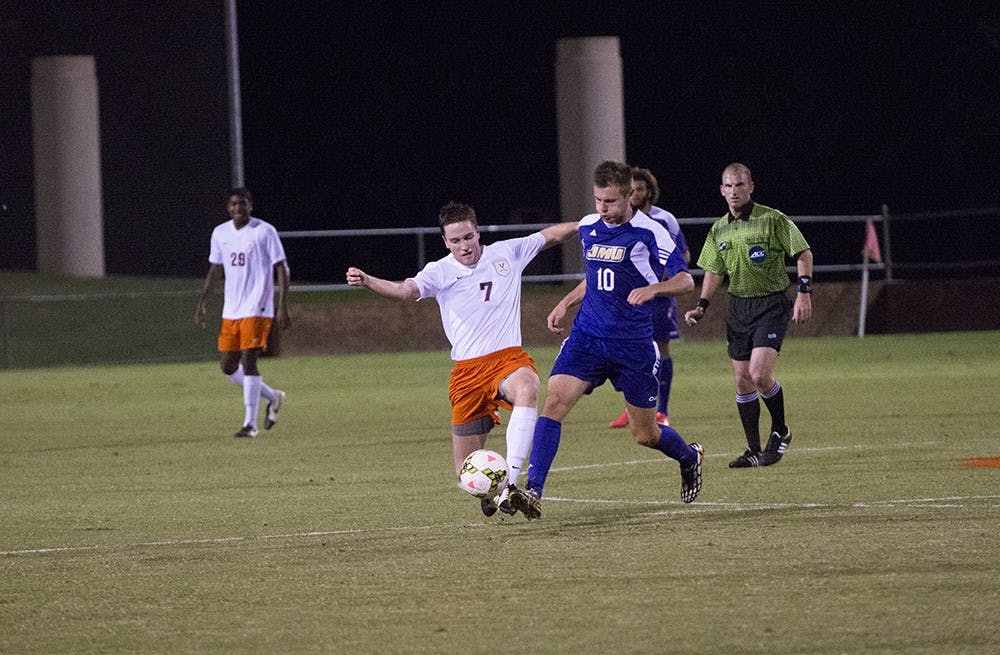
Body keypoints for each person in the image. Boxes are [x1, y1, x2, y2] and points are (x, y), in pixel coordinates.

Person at [345, 202, 578, 517]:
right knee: (465, 475)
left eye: (468, 237)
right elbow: (404, 291)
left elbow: (549, 235)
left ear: (477, 231)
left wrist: (584, 224)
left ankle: (510, 480)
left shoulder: (506, 253)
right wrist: (368, 281)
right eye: (455, 241)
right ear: (445, 242)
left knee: (528, 386)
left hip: (506, 360)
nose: (464, 246)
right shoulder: (439, 271)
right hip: (467, 374)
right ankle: (495, 492)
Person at [507, 161, 704, 520]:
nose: (603, 208)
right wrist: (565, 303)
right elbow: (597, 278)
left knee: (644, 434)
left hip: (633, 344)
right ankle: (533, 490)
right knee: (554, 402)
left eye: (611, 201)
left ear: (629, 196)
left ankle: (689, 456)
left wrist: (654, 289)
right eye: (598, 200)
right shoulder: (590, 227)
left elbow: (685, 280)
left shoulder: (651, 232)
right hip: (588, 337)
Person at [683, 163, 812, 468]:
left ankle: (781, 429)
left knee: (759, 375)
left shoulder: (772, 219)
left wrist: (804, 292)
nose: (734, 191)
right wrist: (702, 305)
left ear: (751, 187)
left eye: (739, 185)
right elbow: (715, 270)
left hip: (770, 304)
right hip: (739, 307)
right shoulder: (719, 229)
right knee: (742, 381)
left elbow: (803, 253)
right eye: (728, 186)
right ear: (721, 190)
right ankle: (753, 450)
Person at [195, 187, 291, 438]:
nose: (238, 209)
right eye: (233, 205)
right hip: (232, 309)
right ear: (228, 208)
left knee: (249, 361)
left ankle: (250, 424)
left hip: (258, 306)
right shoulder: (220, 233)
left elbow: (282, 268)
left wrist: (282, 305)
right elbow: (215, 270)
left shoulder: (264, 231)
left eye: (243, 204)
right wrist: (203, 302)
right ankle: (272, 396)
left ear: (251, 206)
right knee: (228, 366)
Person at [608, 166, 690, 429]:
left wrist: (659, 280)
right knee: (630, 348)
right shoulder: (620, 220)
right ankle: (633, 408)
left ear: (648, 191)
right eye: (631, 188)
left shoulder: (664, 220)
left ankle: (661, 411)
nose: (635, 193)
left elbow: (683, 257)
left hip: (659, 296)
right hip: (630, 296)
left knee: (661, 348)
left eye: (640, 188)